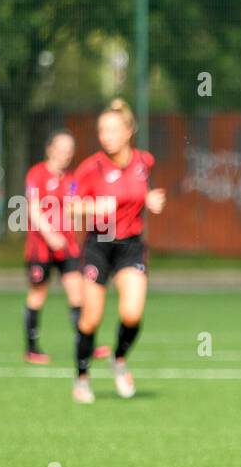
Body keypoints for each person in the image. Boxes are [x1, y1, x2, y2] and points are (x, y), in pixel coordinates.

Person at [68, 99, 165, 404]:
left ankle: (119, 359)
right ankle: (82, 378)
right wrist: (94, 207)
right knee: (90, 320)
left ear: (128, 131)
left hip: (131, 246)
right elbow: (70, 207)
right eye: (101, 130)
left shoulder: (144, 161)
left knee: (132, 313)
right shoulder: (90, 167)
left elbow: (138, 190)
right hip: (99, 243)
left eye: (112, 130)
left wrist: (151, 199)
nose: (105, 135)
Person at [23, 129, 108, 364]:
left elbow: (77, 207)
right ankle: (31, 349)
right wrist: (50, 235)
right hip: (41, 247)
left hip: (67, 247)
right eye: (60, 150)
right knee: (38, 294)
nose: (65, 155)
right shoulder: (36, 174)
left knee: (78, 294)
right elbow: (33, 208)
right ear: (49, 149)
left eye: (69, 151)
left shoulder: (72, 178)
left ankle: (87, 345)